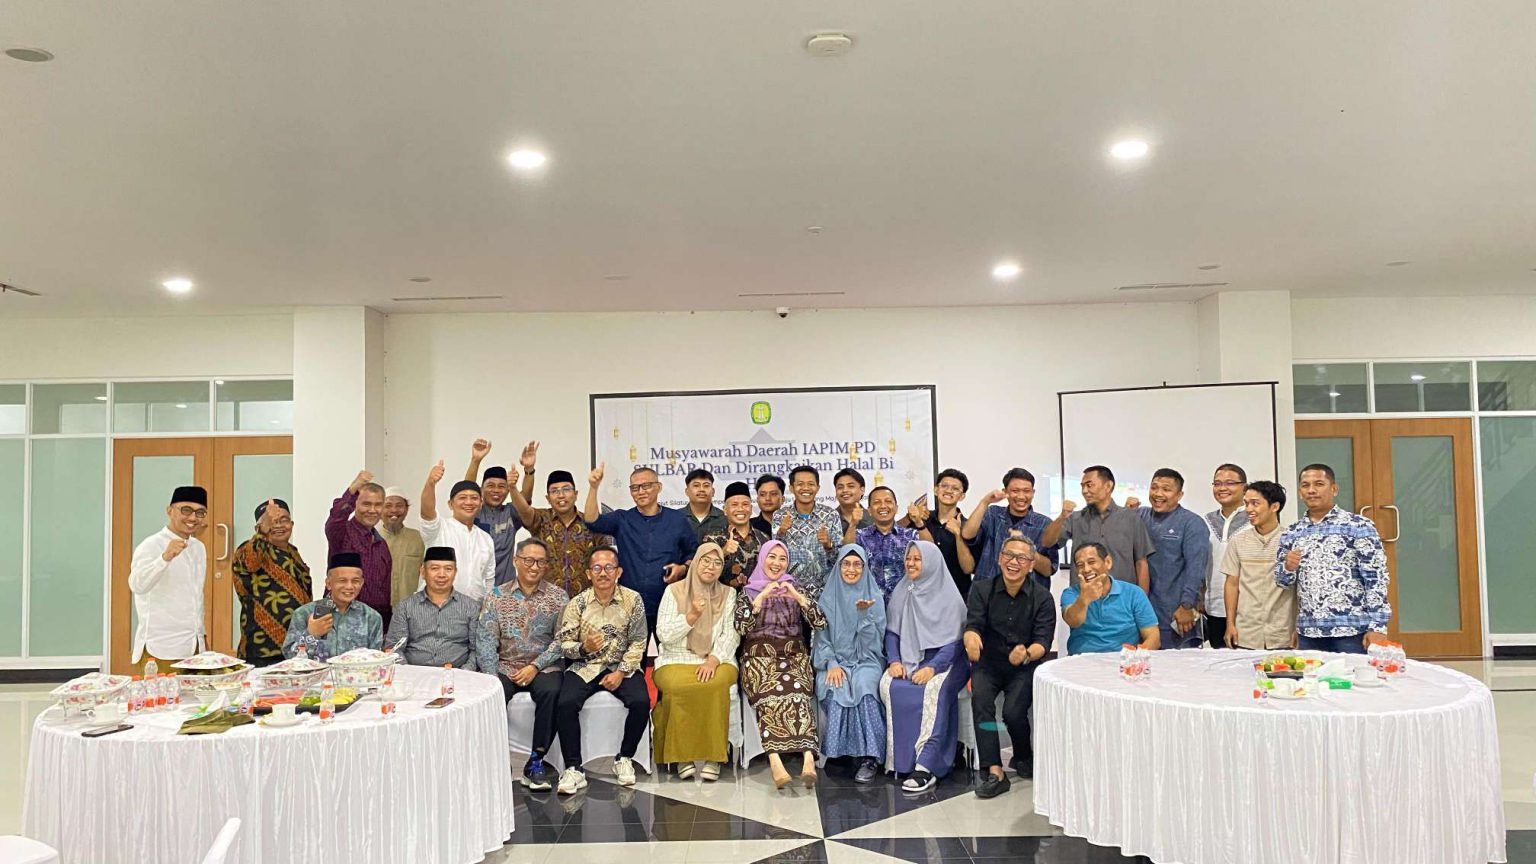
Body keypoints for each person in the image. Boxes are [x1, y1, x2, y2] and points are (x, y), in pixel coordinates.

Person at [553, 547, 650, 794]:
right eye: (597, 568)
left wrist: (621, 673)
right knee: (565, 703)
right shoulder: (577, 603)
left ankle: (625, 758)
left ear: (619, 572)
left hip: (620, 665)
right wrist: (584, 647)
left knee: (641, 702)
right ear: (588, 573)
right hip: (585, 666)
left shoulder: (632, 600)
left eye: (609, 567)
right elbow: (564, 644)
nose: (603, 573)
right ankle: (574, 768)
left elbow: (639, 641)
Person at [965, 537, 1055, 798]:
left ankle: (1023, 755)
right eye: (1009, 555)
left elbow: (1043, 642)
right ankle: (995, 771)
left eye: (1022, 558)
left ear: (1031, 565)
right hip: (989, 663)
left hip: (1024, 665)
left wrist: (1026, 654)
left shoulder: (1043, 598)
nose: (1014, 562)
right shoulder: (981, 589)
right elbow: (973, 625)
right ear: (999, 558)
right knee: (981, 702)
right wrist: (970, 638)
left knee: (1014, 712)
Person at [477, 538, 569, 791]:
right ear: (516, 561)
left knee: (552, 691)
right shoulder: (496, 596)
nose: (534, 566)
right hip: (505, 665)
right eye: (528, 560)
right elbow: (486, 640)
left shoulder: (558, 597)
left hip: (544, 666)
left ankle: (536, 761)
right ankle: (495, 760)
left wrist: (535, 666)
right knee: (492, 694)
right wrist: (490, 676)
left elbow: (563, 639)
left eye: (540, 562)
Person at [735, 540, 825, 789]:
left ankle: (808, 760)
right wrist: (761, 598)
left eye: (782, 559)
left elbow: (820, 622)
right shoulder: (747, 592)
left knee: (798, 691)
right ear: (762, 559)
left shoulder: (796, 588)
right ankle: (775, 762)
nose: (776, 563)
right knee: (769, 693)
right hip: (758, 658)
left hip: (793, 656)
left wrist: (797, 597)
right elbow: (740, 627)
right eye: (771, 557)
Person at [882, 541, 970, 794]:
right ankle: (899, 762)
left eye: (917, 559)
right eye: (908, 558)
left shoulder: (949, 596)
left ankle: (926, 766)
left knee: (933, 690)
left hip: (947, 660)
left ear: (931, 563)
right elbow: (892, 632)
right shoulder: (903, 590)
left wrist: (932, 668)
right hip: (908, 657)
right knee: (889, 685)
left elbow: (955, 643)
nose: (910, 563)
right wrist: (894, 660)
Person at [1275, 464, 1390, 654]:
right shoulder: (1292, 532)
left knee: (1352, 675)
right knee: (1311, 675)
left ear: (1334, 489)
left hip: (1352, 630)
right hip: (1309, 632)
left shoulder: (1358, 526)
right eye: (1305, 485)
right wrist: (1288, 567)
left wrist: (1378, 626)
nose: (1311, 490)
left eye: (1319, 484)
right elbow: (1282, 582)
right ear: (1300, 492)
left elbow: (1376, 578)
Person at [653, 542, 740, 782]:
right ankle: (682, 756)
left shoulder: (728, 594)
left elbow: (731, 634)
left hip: (717, 658)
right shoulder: (674, 591)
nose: (711, 567)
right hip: (676, 657)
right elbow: (664, 634)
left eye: (717, 563)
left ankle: (715, 756)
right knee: (677, 686)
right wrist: (691, 616)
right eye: (705, 561)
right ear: (695, 563)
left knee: (715, 684)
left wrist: (713, 660)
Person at [582, 464, 698, 634]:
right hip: (630, 604)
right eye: (635, 488)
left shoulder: (677, 520)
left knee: (669, 649)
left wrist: (683, 568)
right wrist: (593, 487)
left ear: (659, 487)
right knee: (631, 651)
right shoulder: (622, 519)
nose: (641, 492)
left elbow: (693, 552)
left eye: (646, 486)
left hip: (668, 602)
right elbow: (592, 521)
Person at [812, 545, 887, 785]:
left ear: (865, 568)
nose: (851, 569)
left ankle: (870, 758)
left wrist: (864, 616)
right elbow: (821, 639)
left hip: (867, 661)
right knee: (837, 684)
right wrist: (832, 663)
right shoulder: (827, 598)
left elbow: (874, 647)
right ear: (838, 566)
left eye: (857, 564)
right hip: (834, 660)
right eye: (846, 564)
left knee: (864, 686)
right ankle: (839, 751)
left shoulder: (874, 598)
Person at [128, 486, 210, 665]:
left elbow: (195, 597)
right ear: (170, 511)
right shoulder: (151, 545)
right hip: (161, 647)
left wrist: (201, 638)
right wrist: (164, 558)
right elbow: (137, 585)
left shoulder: (198, 547)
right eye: (186, 510)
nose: (192, 518)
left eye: (200, 513)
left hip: (195, 645)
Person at [506, 459, 611, 597]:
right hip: (546, 601)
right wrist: (512, 488)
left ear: (576, 494)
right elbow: (524, 510)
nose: (561, 495)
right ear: (548, 498)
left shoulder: (591, 523)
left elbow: (606, 560)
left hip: (585, 601)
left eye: (566, 489)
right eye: (554, 491)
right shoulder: (541, 519)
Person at [1042, 466, 1153, 589]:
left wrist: (1142, 598)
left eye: (1089, 485)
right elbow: (1047, 542)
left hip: (1122, 596)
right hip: (1084, 595)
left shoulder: (1131, 518)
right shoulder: (1075, 518)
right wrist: (1061, 517)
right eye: (1082, 486)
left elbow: (1141, 563)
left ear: (1108, 486)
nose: (1084, 491)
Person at [1135, 469, 1210, 650]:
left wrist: (1186, 605)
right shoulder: (1139, 516)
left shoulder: (1192, 523)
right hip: (1144, 612)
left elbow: (1196, 568)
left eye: (1166, 489)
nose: (1158, 494)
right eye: (1154, 488)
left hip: (1176, 614)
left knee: (1177, 664)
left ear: (1179, 495)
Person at [231, 498, 312, 667]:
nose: (278, 525)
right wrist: (263, 530)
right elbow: (251, 562)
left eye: (284, 520)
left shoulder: (293, 552)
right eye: (272, 522)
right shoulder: (247, 550)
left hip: (296, 645)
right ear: (259, 528)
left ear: (292, 524)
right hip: (262, 649)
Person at [1222, 481, 1297, 650]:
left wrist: (1298, 627)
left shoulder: (1291, 540)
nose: (1249, 509)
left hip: (1282, 632)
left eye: (1255, 503)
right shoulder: (1238, 541)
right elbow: (1231, 584)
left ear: (1275, 506)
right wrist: (1230, 624)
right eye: (1246, 503)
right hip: (1246, 633)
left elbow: (1300, 587)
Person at [385, 547, 483, 670]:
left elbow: (477, 649)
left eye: (448, 569)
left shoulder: (471, 607)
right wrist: (408, 673)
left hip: (456, 674)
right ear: (423, 572)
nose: (442, 575)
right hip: (413, 674)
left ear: (455, 572)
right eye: (434, 568)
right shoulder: (405, 607)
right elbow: (394, 648)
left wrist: (464, 672)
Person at [961, 468, 1058, 587]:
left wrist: (1027, 548)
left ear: (1033, 492)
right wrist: (985, 502)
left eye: (1026, 491)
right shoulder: (992, 514)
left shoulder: (1045, 524)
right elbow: (967, 535)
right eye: (1015, 491)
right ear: (1005, 491)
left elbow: (1049, 570)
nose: (1021, 496)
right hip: (987, 591)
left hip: (1027, 595)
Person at [324, 470, 394, 631]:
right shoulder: (341, 532)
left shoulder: (382, 545)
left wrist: (386, 630)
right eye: (366, 504)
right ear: (355, 504)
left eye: (378, 505)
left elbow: (384, 593)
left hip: (372, 625)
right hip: (337, 621)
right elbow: (336, 517)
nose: (372, 510)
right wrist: (353, 489)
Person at [1060, 543, 1159, 655]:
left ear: (1108, 562)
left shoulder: (1134, 593)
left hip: (1124, 659)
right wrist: (1084, 599)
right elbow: (1073, 621)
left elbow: (1153, 637)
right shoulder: (1071, 593)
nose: (1086, 569)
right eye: (1080, 565)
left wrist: (1136, 658)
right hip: (1082, 659)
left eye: (1091, 562)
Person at [419, 460, 497, 602]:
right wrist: (430, 483)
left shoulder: (485, 539)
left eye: (474, 498)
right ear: (450, 504)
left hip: (474, 609)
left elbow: (489, 579)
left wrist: (487, 608)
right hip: (436, 607)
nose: (469, 502)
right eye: (462, 498)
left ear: (480, 504)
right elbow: (427, 512)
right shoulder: (439, 528)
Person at [283, 552, 385, 660]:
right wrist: (311, 634)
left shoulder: (371, 617)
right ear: (328, 583)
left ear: (361, 583)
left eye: (355, 581)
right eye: (342, 581)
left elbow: (377, 660)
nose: (349, 586)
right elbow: (290, 658)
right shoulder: (304, 613)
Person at [464, 439, 537, 586]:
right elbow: (467, 491)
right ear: (481, 489)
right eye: (490, 486)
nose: (496, 490)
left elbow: (525, 498)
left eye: (502, 486)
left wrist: (529, 470)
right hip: (475, 588)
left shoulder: (511, 513)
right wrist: (475, 460)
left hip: (505, 589)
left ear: (508, 490)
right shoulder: (474, 512)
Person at [905, 468, 976, 598]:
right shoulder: (922, 519)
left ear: (962, 496)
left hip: (957, 596)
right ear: (936, 490)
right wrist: (912, 519)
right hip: (923, 594)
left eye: (955, 488)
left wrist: (958, 535)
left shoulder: (968, 527)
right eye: (944, 486)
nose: (948, 491)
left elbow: (968, 569)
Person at [774, 465, 842, 599]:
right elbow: (774, 557)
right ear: (791, 488)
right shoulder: (780, 516)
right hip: (791, 593)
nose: (805, 488)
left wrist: (828, 545)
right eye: (800, 484)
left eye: (811, 484)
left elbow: (840, 561)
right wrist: (781, 533)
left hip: (826, 593)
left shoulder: (831, 515)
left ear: (818, 488)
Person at [846, 486, 924, 599]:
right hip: (869, 603)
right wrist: (853, 523)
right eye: (877, 502)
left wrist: (918, 522)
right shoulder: (860, 536)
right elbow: (845, 552)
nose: (883, 506)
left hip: (905, 602)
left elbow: (931, 553)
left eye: (888, 501)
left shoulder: (910, 536)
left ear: (896, 508)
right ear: (869, 511)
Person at [1203, 464, 1250, 649]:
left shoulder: (1254, 519)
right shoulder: (1205, 521)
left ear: (1244, 487)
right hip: (1213, 607)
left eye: (1230, 483)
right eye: (1217, 483)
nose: (1222, 488)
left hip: (1246, 609)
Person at [702, 481, 768, 589]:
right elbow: (702, 573)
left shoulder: (764, 539)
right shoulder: (712, 539)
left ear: (751, 509)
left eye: (745, 504)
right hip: (723, 598)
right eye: (734, 505)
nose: (740, 509)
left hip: (757, 598)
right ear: (725, 510)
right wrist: (723, 552)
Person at [379, 487, 426, 610]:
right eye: (388, 505)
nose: (394, 510)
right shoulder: (371, 539)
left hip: (411, 609)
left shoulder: (418, 538)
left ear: (406, 509)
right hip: (379, 610)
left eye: (399, 506)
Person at [681, 468, 727, 540]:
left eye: (706, 486)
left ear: (713, 492)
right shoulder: (676, 518)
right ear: (687, 491)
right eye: (696, 485)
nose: (701, 489)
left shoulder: (725, 518)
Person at [833, 468, 876, 535]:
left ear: (862, 490)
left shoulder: (874, 518)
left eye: (850, 486)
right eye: (840, 487)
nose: (845, 490)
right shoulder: (828, 519)